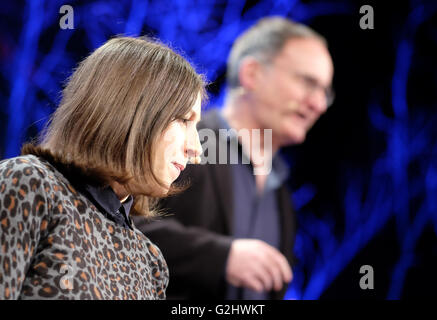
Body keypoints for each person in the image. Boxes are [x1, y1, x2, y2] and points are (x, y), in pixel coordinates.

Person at [133, 17, 334, 299]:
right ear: (251, 74)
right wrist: (219, 256)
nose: (318, 104)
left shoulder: (282, 194)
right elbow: (117, 228)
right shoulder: (184, 143)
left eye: (325, 92)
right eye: (307, 82)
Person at [0, 36, 205, 299]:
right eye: (184, 119)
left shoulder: (150, 261)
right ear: (130, 112)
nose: (196, 148)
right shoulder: (28, 184)